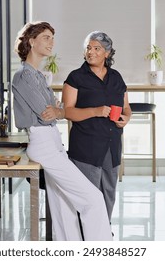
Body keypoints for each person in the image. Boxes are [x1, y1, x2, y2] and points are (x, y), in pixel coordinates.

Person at [12, 21, 112, 241]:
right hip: (43, 143)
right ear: (31, 41)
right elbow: (44, 112)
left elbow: (56, 110)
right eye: (46, 38)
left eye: (52, 38)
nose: (52, 42)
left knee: (64, 207)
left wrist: (57, 109)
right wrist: (57, 109)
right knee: (93, 198)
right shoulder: (24, 76)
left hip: (52, 142)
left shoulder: (37, 75)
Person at [62, 31, 131, 222]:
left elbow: (126, 107)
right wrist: (95, 111)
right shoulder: (76, 78)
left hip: (112, 145)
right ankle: (86, 234)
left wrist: (126, 118)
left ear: (107, 53)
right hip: (86, 147)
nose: (90, 52)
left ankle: (102, 231)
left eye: (96, 48)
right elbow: (67, 111)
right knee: (87, 195)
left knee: (108, 191)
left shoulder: (116, 77)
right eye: (88, 48)